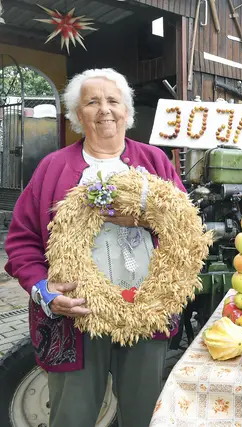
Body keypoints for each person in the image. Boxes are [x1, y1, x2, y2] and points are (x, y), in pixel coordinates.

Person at [4, 68, 184, 427]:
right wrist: (44, 290)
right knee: (73, 414)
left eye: (113, 100)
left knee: (143, 412)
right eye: (92, 101)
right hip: (76, 315)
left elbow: (184, 228)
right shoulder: (52, 168)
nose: (104, 109)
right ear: (77, 114)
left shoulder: (154, 162)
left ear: (127, 112)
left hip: (145, 310)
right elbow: (21, 242)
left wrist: (145, 219)